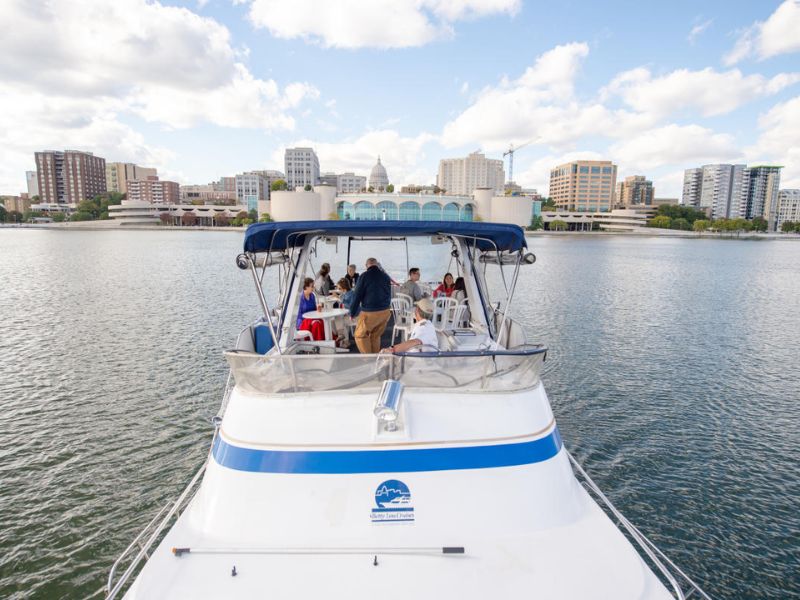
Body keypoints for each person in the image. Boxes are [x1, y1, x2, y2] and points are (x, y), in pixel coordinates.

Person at [349, 257, 392, 354]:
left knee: (360, 336)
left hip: (370, 313)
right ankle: (375, 357)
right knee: (375, 336)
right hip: (385, 312)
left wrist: (352, 312)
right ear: (376, 264)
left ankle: (368, 359)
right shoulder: (385, 276)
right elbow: (389, 294)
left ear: (366, 265)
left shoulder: (364, 276)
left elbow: (357, 296)